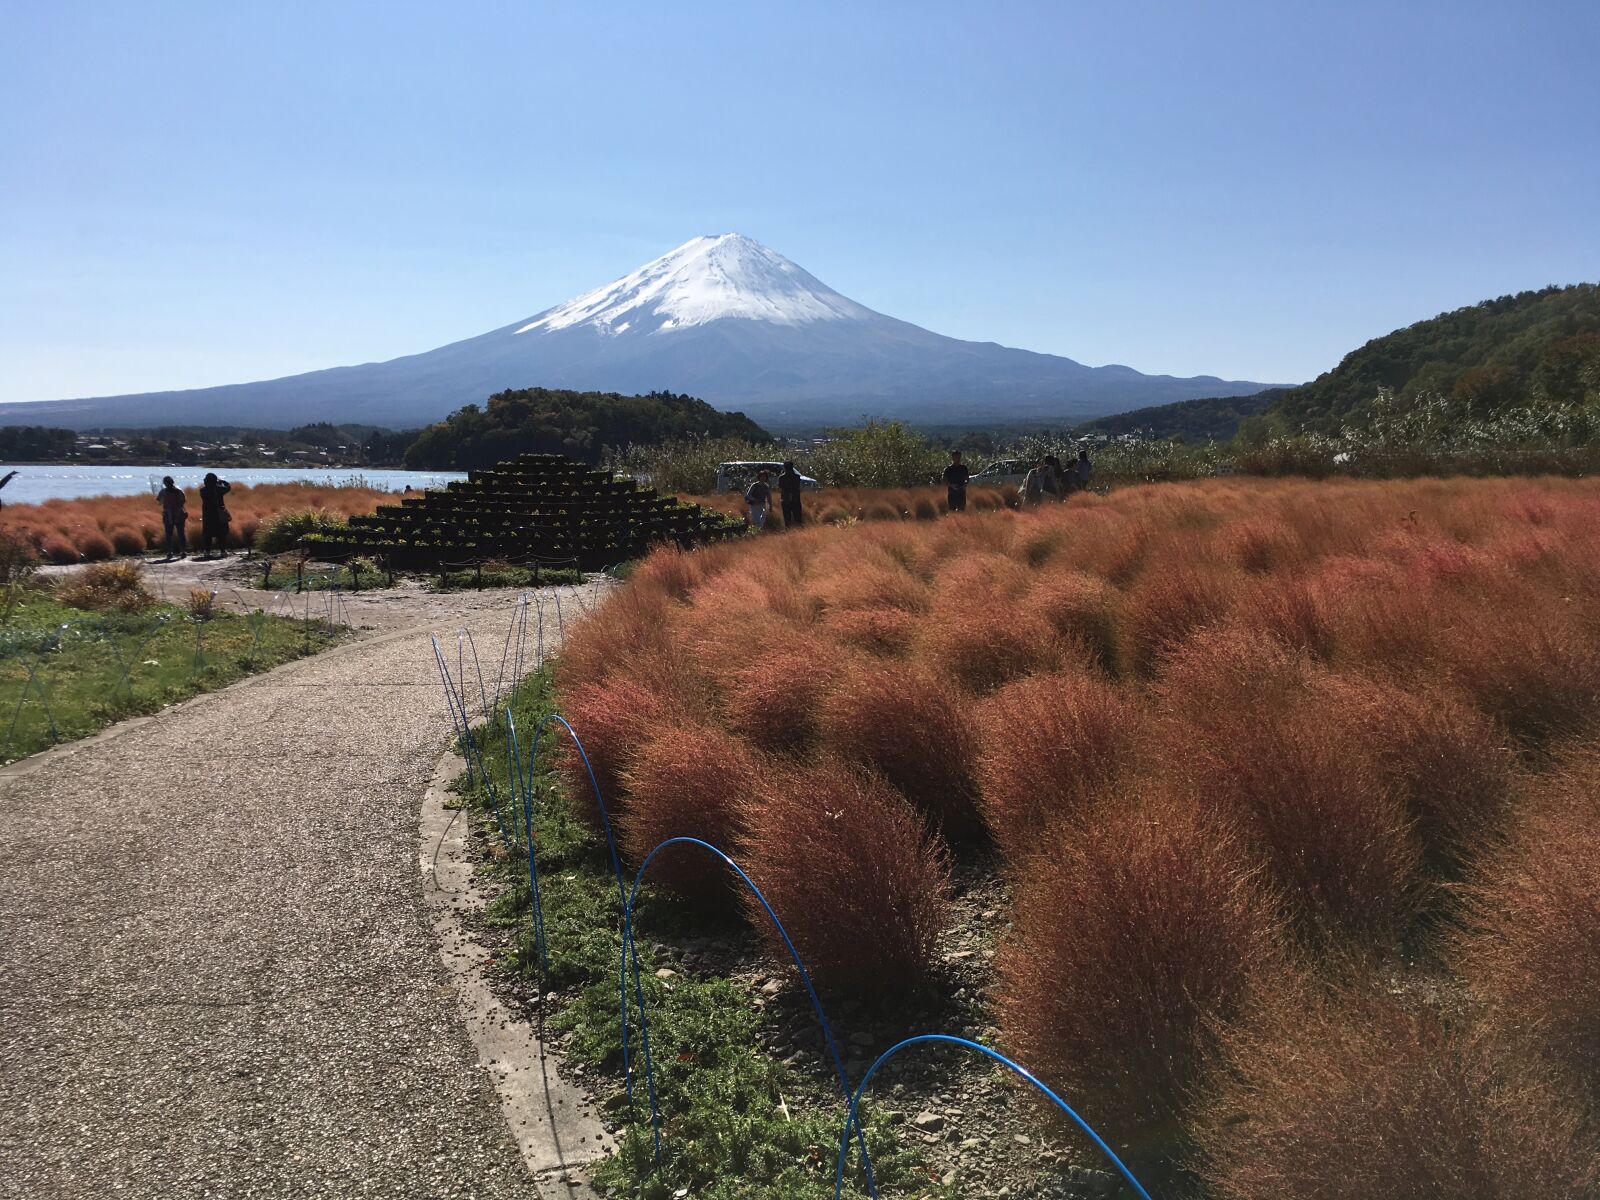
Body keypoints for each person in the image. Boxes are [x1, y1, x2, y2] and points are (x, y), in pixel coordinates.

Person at [199, 472, 232, 558]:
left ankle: (207, 552)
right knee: (221, 534)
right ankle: (223, 551)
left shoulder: (202, 490)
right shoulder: (219, 489)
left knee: (208, 534)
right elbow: (228, 487)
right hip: (219, 514)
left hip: (207, 515)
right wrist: (223, 481)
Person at [157, 476, 188, 559]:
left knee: (169, 534)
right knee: (181, 533)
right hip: (179, 514)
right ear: (173, 482)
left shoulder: (163, 491)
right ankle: (183, 551)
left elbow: (159, 502)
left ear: (164, 483)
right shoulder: (180, 491)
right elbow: (183, 502)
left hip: (168, 515)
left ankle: (170, 552)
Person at [777, 460, 805, 528]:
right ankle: (799, 531)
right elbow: (797, 487)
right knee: (797, 518)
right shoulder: (797, 477)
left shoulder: (781, 477)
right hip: (795, 498)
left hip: (785, 498)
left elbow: (780, 487)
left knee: (787, 518)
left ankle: (788, 530)